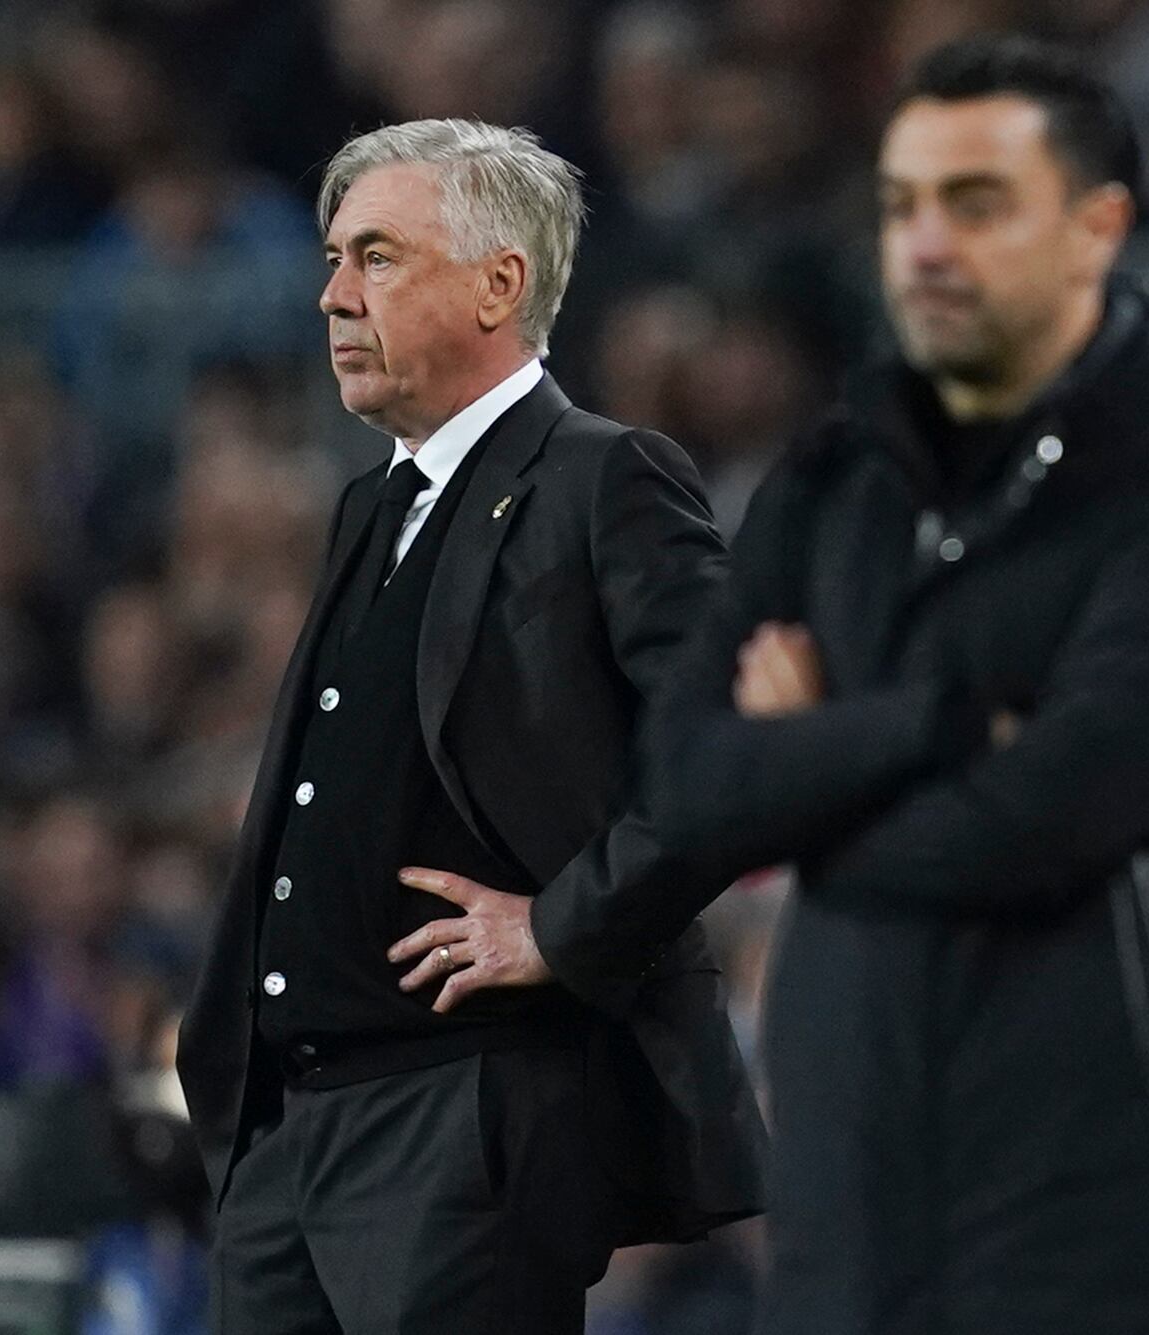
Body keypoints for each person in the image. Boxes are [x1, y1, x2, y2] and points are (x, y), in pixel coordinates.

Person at [648, 34, 1149, 1334]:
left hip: (1097, 1225)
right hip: (851, 1221)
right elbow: (681, 783)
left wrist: (809, 779)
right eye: (900, 207)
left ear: (1096, 228)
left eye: (976, 204)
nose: (925, 245)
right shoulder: (840, 478)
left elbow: (1046, 813)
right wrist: (925, 727)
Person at [175, 119, 763, 1335]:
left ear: (500, 282)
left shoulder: (608, 478)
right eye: (337, 258)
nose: (333, 294)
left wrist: (566, 923)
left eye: (377, 257)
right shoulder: (366, 506)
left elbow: (730, 749)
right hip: (288, 1133)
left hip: (460, 1115)